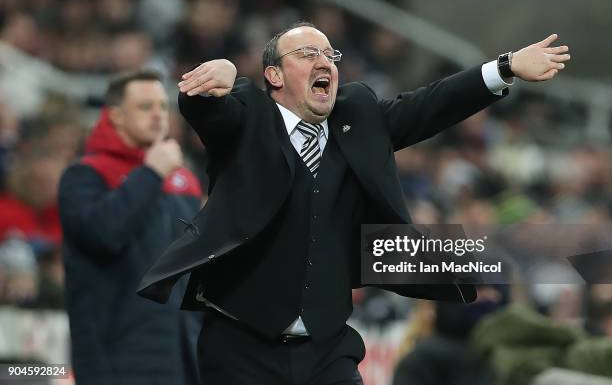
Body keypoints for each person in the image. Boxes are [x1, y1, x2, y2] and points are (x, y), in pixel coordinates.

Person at [137, 23, 570, 385]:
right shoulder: (248, 114)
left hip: (327, 349)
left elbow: (432, 104)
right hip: (239, 344)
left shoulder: (358, 114)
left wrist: (506, 66)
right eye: (308, 53)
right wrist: (218, 79)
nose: (325, 62)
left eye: (331, 54)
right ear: (274, 75)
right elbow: (207, 114)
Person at [58, 70, 202, 385]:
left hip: (182, 350)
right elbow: (103, 234)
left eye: (163, 107)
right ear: (117, 116)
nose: (157, 116)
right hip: (117, 352)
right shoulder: (85, 175)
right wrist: (150, 173)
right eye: (145, 107)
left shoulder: (184, 181)